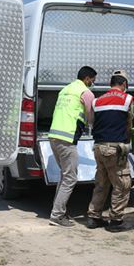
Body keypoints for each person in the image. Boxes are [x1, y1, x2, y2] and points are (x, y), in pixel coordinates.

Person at [86, 70, 134, 233]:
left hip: (98, 147)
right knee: (122, 184)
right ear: (124, 84)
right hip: (115, 148)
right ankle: (116, 221)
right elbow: (129, 123)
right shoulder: (127, 99)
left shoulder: (97, 101)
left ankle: (94, 217)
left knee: (101, 183)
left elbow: (92, 121)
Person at [48, 66, 96, 227]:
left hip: (54, 136)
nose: (93, 83)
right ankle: (57, 215)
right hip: (67, 138)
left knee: (64, 176)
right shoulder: (86, 92)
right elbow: (91, 117)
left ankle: (58, 210)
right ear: (87, 78)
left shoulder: (65, 90)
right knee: (70, 178)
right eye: (93, 80)